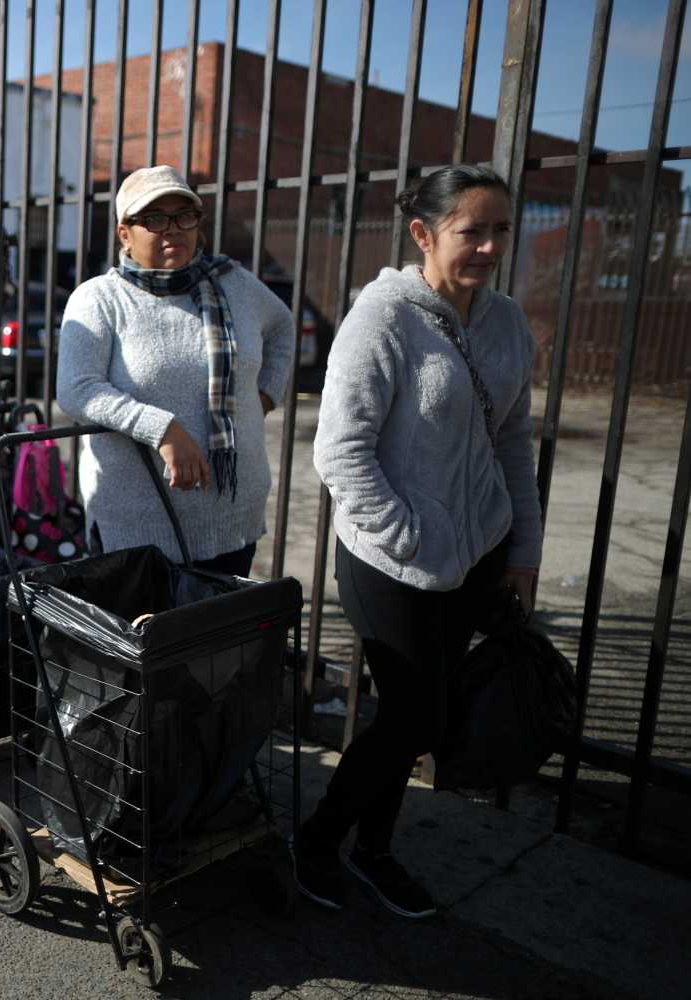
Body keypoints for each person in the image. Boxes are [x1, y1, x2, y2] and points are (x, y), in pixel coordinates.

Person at [297, 165, 543, 919]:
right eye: (473, 230)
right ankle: (317, 844)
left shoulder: (504, 322)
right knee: (412, 716)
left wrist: (522, 549)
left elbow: (513, 441)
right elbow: (340, 453)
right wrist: (410, 536)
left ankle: (375, 852)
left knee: (424, 717)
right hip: (391, 560)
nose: (490, 246)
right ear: (424, 233)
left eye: (501, 229)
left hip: (476, 556)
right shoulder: (383, 318)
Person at [56, 165, 295, 574]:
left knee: (219, 636)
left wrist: (265, 396)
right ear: (124, 235)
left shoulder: (233, 284)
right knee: (146, 635)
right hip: (138, 528)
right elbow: (78, 389)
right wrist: (162, 428)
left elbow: (282, 328)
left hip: (233, 515)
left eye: (185, 216)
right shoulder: (100, 300)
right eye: (154, 219)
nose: (173, 229)